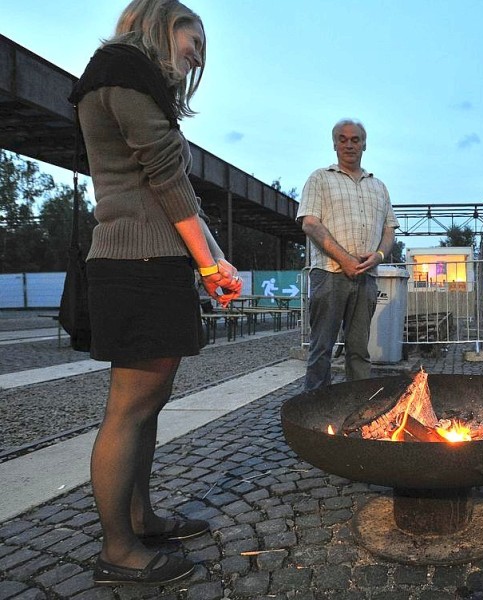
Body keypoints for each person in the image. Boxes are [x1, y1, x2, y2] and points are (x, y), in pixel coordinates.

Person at [70, 0, 242, 586]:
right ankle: (118, 550)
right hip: (135, 260)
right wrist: (210, 264)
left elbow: (176, 191)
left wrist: (215, 258)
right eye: (192, 41)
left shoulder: (129, 80)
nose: (196, 55)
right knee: (130, 407)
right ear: (161, 25)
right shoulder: (121, 73)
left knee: (150, 403)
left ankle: (139, 518)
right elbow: (167, 181)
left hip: (149, 258)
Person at [298, 118, 399, 391]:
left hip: (366, 276)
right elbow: (310, 223)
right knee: (322, 348)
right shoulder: (320, 178)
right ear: (334, 144)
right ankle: (315, 408)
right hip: (330, 274)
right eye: (343, 139)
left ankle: (357, 406)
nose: (349, 144)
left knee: (359, 350)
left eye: (355, 140)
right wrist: (345, 259)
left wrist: (378, 255)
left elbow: (390, 229)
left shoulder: (378, 186)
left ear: (364, 144)